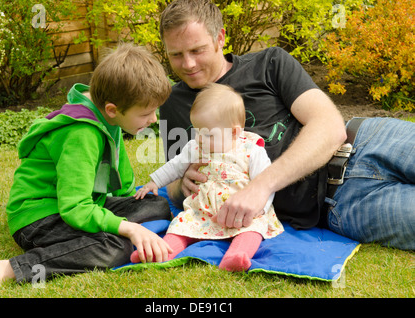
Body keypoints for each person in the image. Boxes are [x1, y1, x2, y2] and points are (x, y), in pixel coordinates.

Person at [158, 0, 414, 250]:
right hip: (343, 203)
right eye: (176, 55)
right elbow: (174, 181)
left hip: (368, 140)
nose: (188, 64)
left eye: (197, 50)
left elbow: (329, 126)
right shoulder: (171, 104)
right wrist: (181, 186)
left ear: (220, 38)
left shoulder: (269, 63)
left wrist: (260, 187)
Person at [0, 43, 173, 297]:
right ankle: (7, 268)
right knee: (117, 246)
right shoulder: (80, 134)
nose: (153, 119)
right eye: (146, 113)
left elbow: (120, 178)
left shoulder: (110, 116)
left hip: (81, 204)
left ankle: (110, 233)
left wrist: (132, 203)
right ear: (112, 109)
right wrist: (129, 227)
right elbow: (74, 207)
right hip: (40, 219)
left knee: (157, 205)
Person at [132, 83, 284, 271]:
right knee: (181, 226)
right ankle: (160, 252)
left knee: (252, 230)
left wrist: (260, 208)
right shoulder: (196, 147)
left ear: (234, 132)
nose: (200, 138)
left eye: (208, 134)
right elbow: (175, 166)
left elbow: (266, 183)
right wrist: (154, 182)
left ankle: (237, 256)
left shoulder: (251, 151)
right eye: (197, 131)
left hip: (242, 213)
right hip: (203, 211)